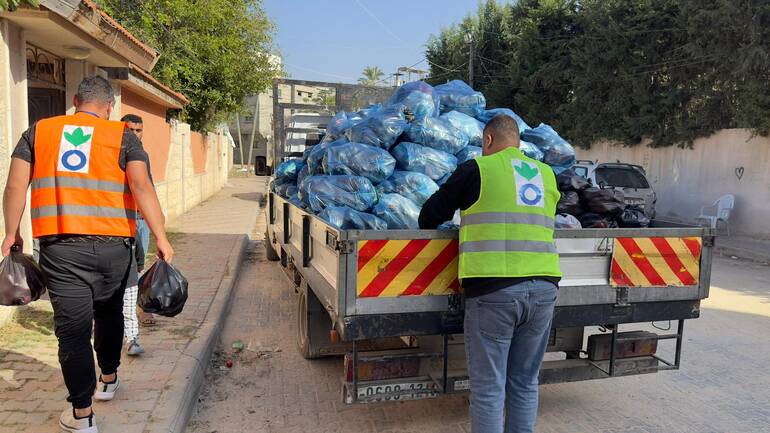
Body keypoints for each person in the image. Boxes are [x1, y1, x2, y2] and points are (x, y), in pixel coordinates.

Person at [2, 76, 174, 433]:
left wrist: (11, 233)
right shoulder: (122, 135)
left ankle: (82, 415)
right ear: (109, 107)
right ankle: (108, 379)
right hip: (115, 249)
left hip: (62, 251)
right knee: (110, 316)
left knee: (73, 332)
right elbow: (141, 185)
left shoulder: (40, 132)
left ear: (76, 100)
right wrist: (160, 237)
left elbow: (17, 182)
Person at [419, 115, 561, 433]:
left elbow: (431, 213)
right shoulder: (547, 174)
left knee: (488, 389)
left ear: (487, 140)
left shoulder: (477, 169)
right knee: (525, 383)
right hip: (544, 290)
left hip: (495, 292)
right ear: (518, 141)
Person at [119, 114, 155, 357]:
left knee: (138, 270)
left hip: (139, 222)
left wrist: (155, 225)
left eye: (138, 130)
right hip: (118, 223)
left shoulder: (143, 156)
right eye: (129, 129)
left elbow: (147, 188)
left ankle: (139, 311)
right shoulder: (111, 154)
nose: (134, 134)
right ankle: (125, 332)